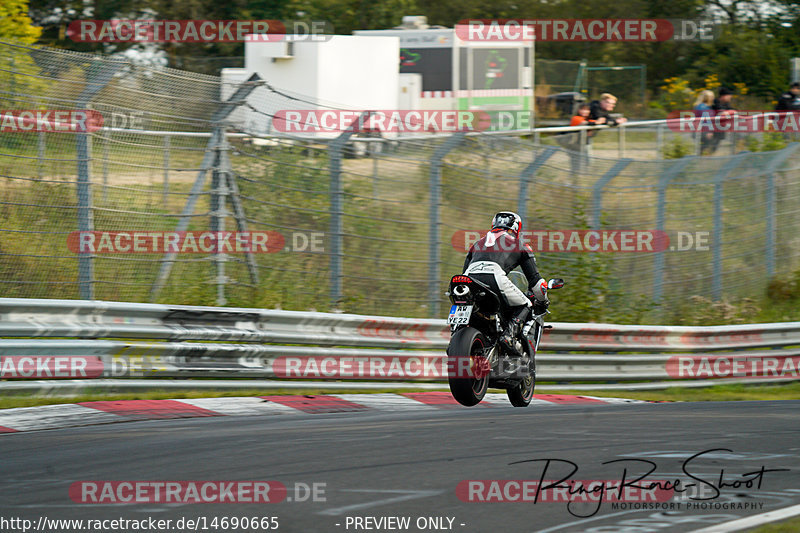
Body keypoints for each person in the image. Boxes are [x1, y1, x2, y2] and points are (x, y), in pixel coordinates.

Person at [462, 212, 549, 352]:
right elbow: (537, 284)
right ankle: (509, 336)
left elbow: (464, 272)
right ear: (516, 228)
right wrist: (543, 301)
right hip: (495, 277)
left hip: (468, 280)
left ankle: (457, 333)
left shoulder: (476, 244)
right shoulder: (520, 245)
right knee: (526, 304)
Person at [707, 86, 736, 154]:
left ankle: (710, 154)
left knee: (716, 143)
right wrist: (730, 112)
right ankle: (705, 155)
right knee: (708, 144)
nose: (730, 97)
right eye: (729, 95)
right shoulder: (715, 102)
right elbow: (722, 113)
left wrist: (730, 112)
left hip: (720, 128)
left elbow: (733, 110)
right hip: (712, 127)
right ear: (724, 96)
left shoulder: (726, 104)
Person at [693, 90, 715, 154]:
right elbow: (706, 120)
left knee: (705, 147)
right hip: (703, 131)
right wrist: (708, 131)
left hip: (706, 130)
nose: (713, 98)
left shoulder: (708, 106)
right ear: (706, 98)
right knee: (703, 148)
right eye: (711, 97)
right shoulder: (702, 107)